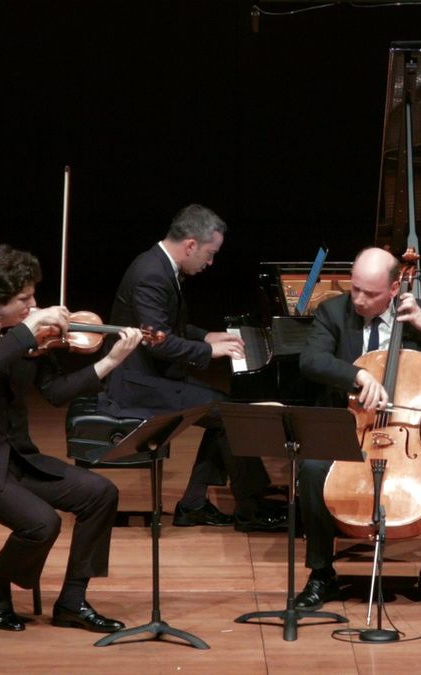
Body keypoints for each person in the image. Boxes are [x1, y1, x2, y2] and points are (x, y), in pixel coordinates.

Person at [0, 244, 143, 634]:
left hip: (17, 459)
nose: (35, 305)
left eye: (33, 296)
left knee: (101, 494)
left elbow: (56, 392)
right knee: (42, 524)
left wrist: (109, 362)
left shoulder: (26, 333)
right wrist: (31, 327)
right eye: (24, 298)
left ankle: (73, 601)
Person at [293, 246, 421, 613]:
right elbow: (311, 360)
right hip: (353, 426)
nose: (359, 299)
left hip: (414, 432)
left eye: (370, 292)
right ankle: (321, 573)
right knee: (313, 468)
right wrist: (358, 375)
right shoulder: (333, 311)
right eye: (355, 289)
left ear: (395, 288)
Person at [97, 204, 287, 532]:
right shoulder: (152, 274)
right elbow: (158, 341)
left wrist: (205, 335)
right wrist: (207, 349)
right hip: (136, 385)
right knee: (230, 414)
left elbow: (170, 327)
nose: (210, 263)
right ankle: (250, 507)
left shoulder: (161, 266)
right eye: (210, 254)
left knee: (224, 410)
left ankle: (195, 503)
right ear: (190, 246)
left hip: (150, 377)